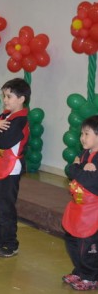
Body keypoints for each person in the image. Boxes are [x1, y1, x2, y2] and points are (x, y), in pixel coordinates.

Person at [0, 78, 31, 258]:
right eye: (4, 96)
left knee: (6, 206)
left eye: (9, 96)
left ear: (21, 99)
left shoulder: (20, 120)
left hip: (11, 168)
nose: (5, 100)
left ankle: (11, 242)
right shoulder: (6, 116)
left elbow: (2, 141)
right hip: (0, 165)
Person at [62, 115, 98, 291]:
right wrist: (79, 168)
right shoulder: (84, 153)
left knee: (87, 245)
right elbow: (69, 169)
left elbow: (91, 182)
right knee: (72, 239)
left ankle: (91, 276)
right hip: (78, 207)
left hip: (93, 212)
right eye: (81, 134)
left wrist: (77, 168)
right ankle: (80, 271)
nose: (82, 138)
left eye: (86, 133)